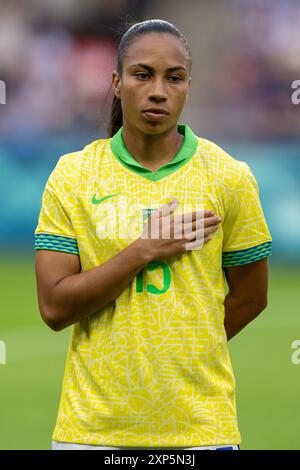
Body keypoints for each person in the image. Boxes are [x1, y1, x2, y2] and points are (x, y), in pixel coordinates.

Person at [34, 19, 272, 451]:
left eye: (174, 77)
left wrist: (190, 348)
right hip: (92, 433)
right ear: (117, 83)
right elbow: (53, 307)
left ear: (187, 86)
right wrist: (143, 250)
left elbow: (252, 296)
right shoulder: (73, 176)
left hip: (201, 432)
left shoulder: (229, 177)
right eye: (142, 74)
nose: (158, 90)